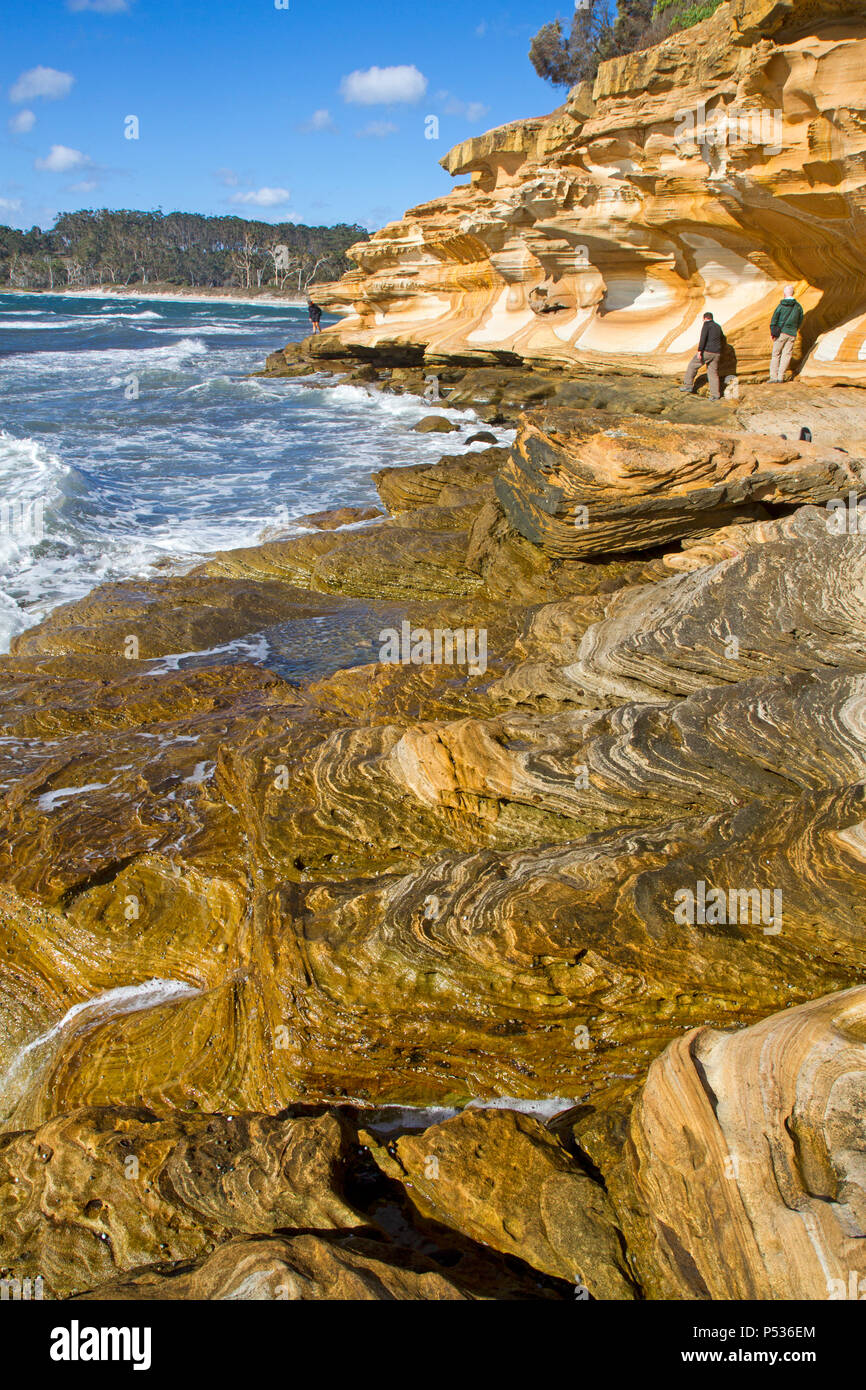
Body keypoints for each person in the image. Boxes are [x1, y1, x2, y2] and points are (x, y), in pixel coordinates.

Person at [681, 312, 723, 400]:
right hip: (717, 353)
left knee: (692, 365)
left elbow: (703, 338)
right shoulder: (718, 326)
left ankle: (688, 386)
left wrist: (700, 351)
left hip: (707, 352)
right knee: (713, 374)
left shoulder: (706, 325)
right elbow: (722, 338)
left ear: (704, 318)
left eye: (703, 319)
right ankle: (715, 395)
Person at [769, 284, 803, 383]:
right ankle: (780, 377)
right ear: (793, 293)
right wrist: (795, 329)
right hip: (792, 333)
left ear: (784, 294)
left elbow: (774, 319)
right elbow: (800, 319)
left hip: (781, 333)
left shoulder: (781, 305)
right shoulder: (798, 307)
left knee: (776, 354)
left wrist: (773, 332)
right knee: (786, 355)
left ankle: (773, 377)